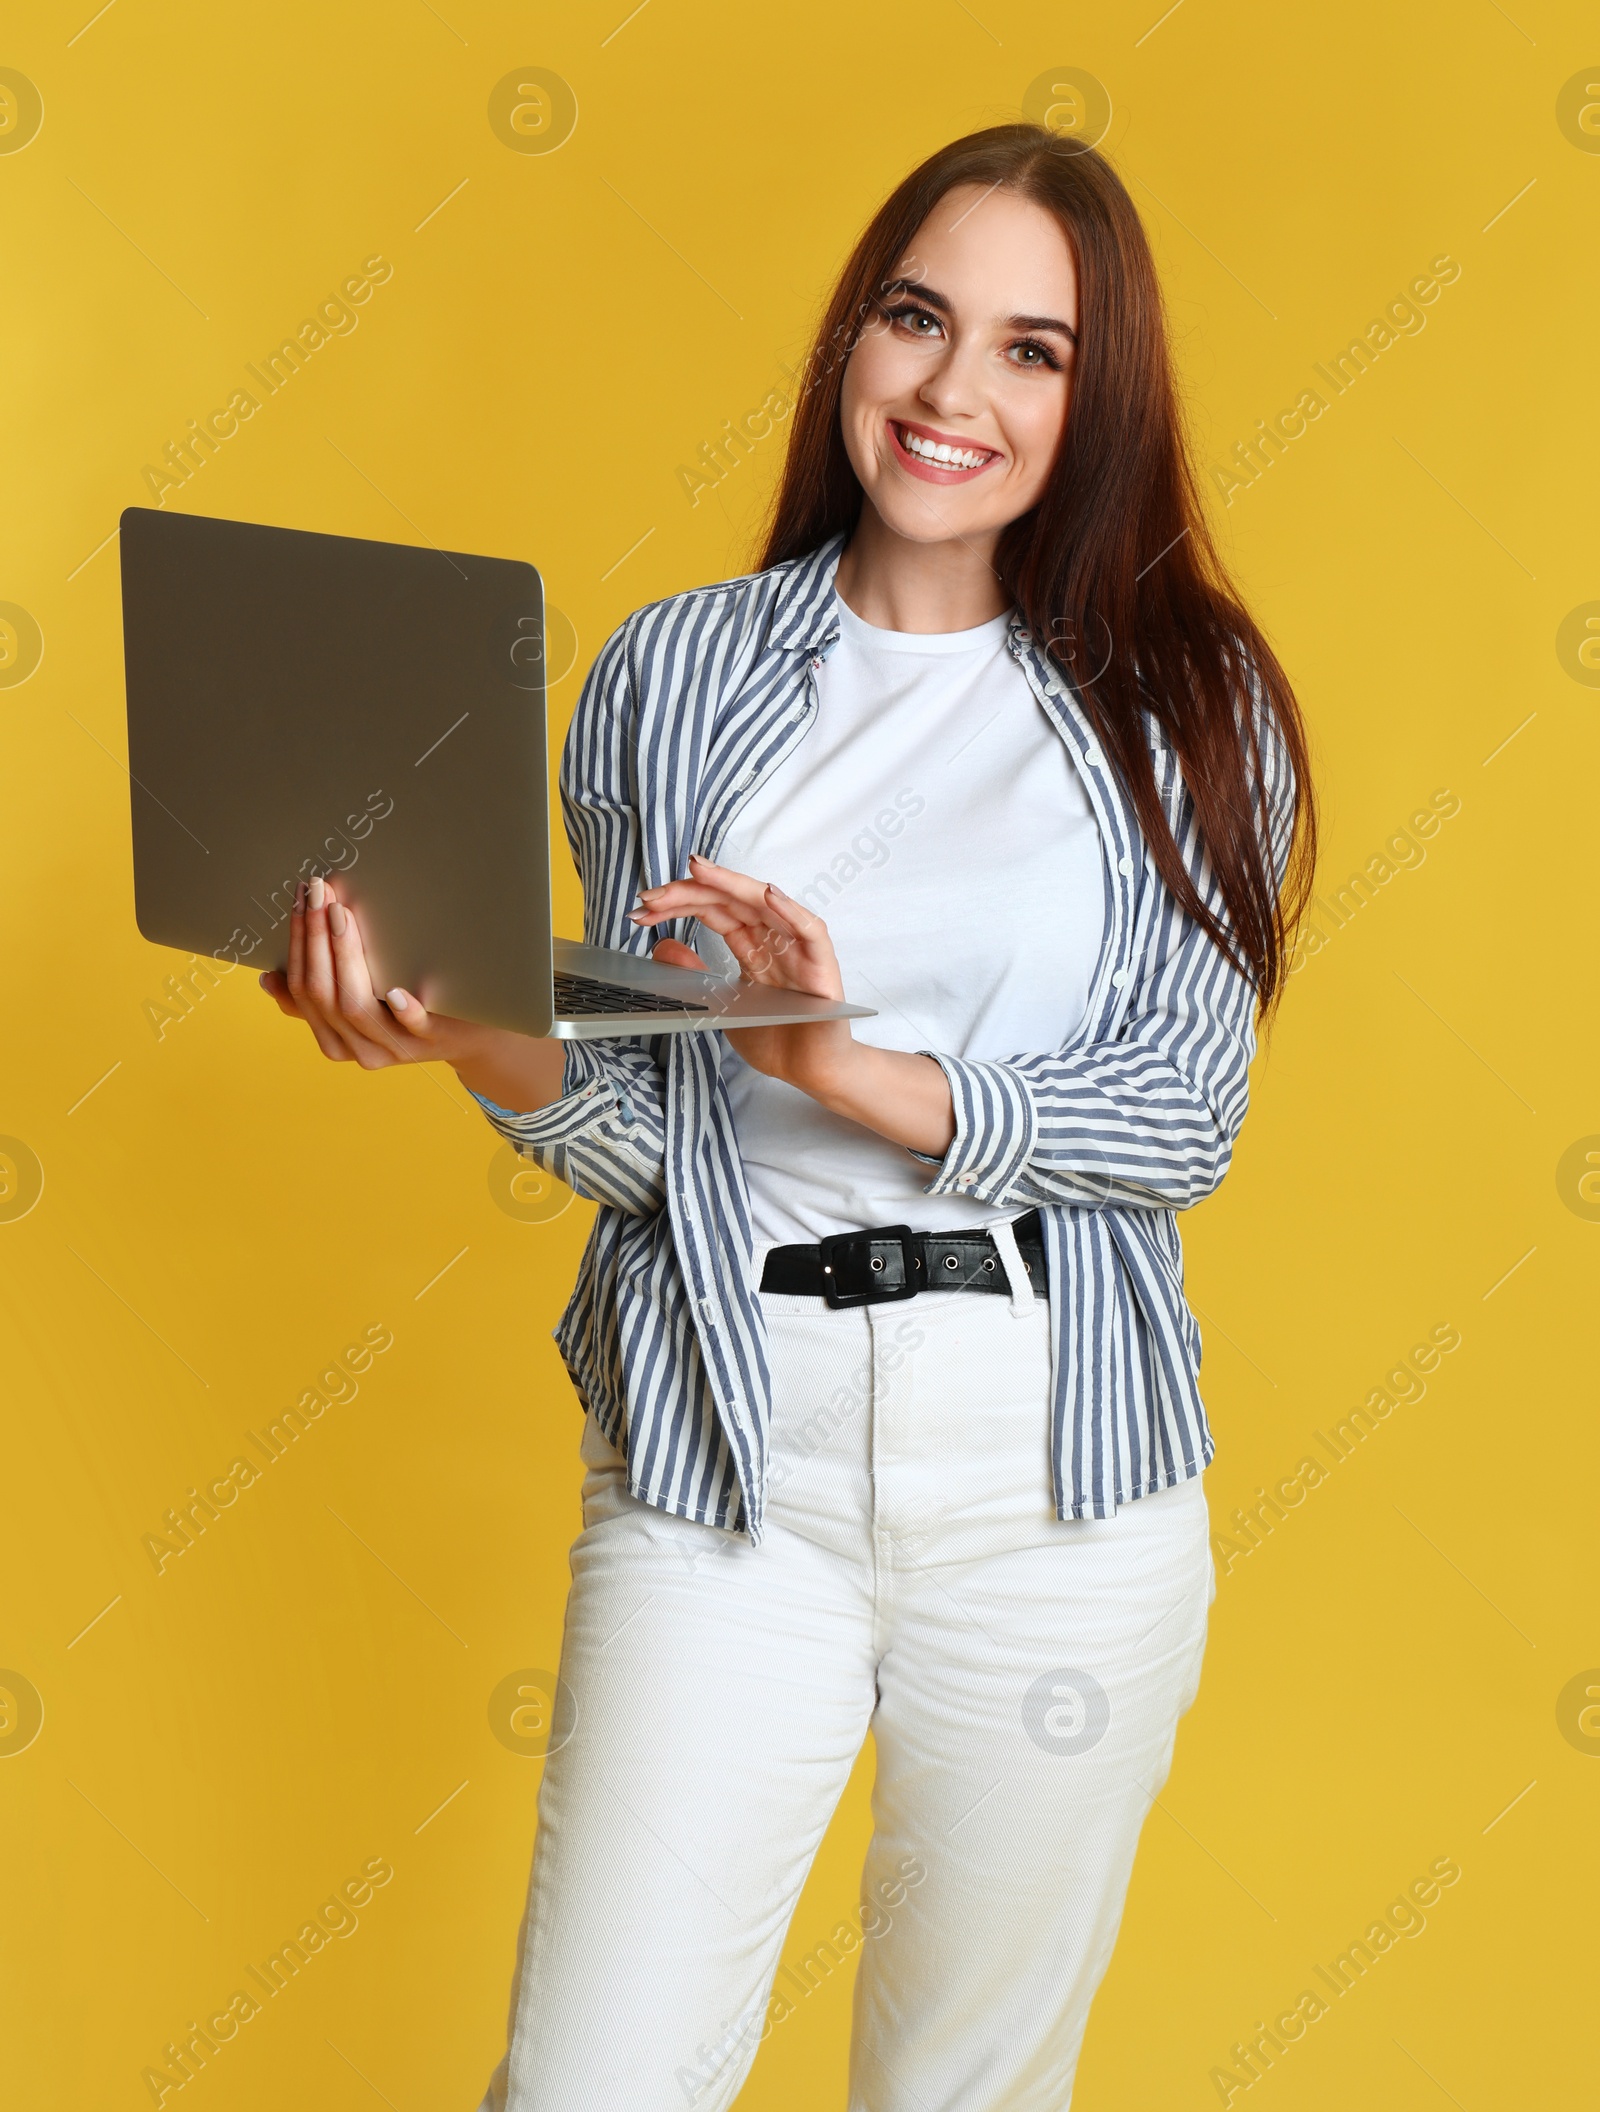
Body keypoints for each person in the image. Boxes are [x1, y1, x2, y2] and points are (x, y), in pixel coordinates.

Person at [263, 123, 1317, 2110]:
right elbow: (657, 1147)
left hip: (1051, 1497)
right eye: (916, 319)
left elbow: (1177, 1110)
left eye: (1031, 350)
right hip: (722, 1475)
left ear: (1098, 405)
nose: (948, 390)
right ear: (852, 335)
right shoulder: (674, 676)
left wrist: (837, 1060)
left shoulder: (1185, 700)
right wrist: (475, 1039)